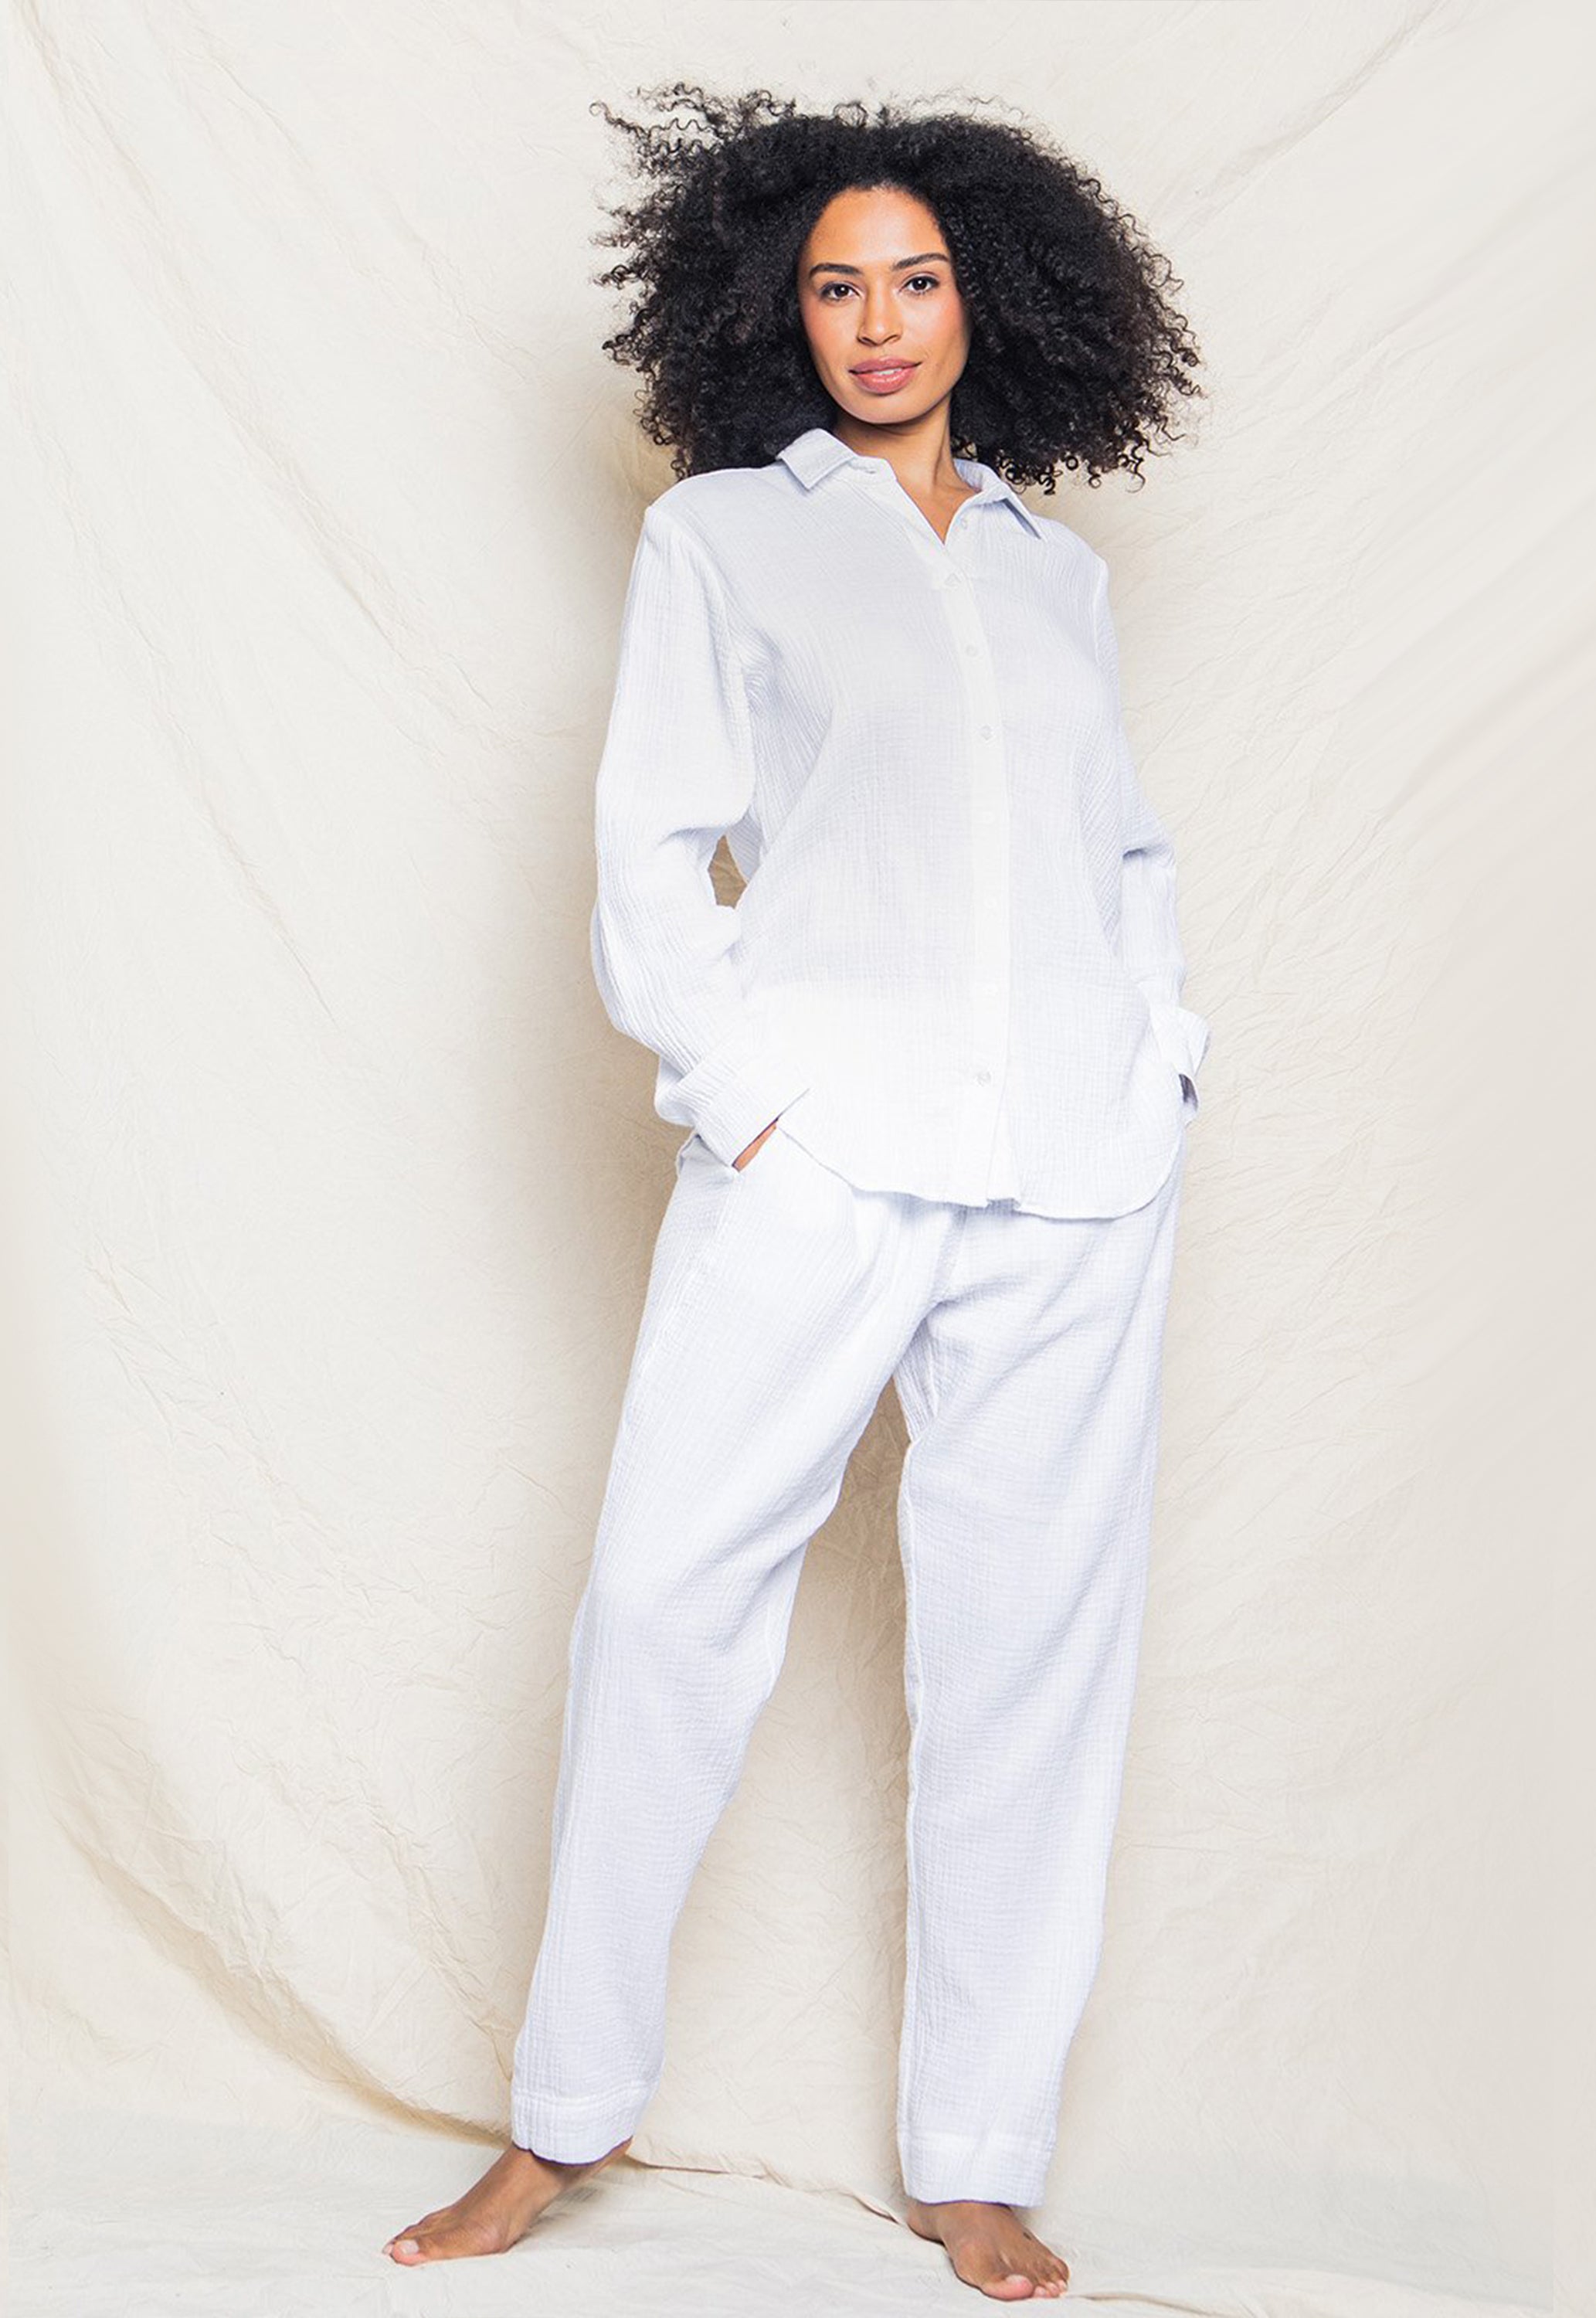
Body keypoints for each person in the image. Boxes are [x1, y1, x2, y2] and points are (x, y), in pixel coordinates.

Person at [385, 84, 1210, 2303]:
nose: (881, 323)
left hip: (1072, 1173)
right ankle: (564, 2117)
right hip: (821, 1155)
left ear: (987, 299)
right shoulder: (727, 541)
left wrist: (1164, 1059)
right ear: (778, 308)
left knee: (1033, 1660)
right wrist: (748, 1102)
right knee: (663, 1605)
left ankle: (977, 2155)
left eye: (917, 281)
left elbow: (1123, 852)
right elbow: (652, 845)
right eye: (839, 287)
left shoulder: (1057, 576)